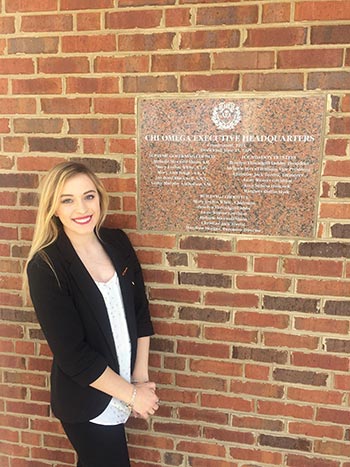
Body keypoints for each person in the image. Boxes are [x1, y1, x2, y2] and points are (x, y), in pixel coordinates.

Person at [25, 161, 159, 467]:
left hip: (126, 386)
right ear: (53, 208)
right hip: (87, 401)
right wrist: (132, 395)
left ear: (99, 198)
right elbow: (74, 356)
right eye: (67, 200)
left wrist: (139, 379)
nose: (81, 208)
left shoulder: (117, 242)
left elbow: (140, 313)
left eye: (88, 196)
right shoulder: (46, 267)